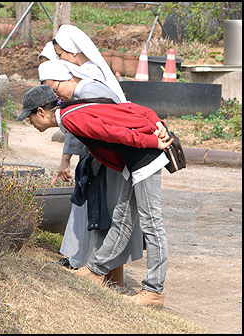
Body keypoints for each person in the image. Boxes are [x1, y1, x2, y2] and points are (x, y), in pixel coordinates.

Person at [18, 84, 172, 309]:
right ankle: (95, 271)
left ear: (41, 112)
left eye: (30, 118)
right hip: (136, 161)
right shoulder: (74, 110)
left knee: (152, 224)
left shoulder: (71, 118)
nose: (31, 123)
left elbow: (114, 134)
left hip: (144, 159)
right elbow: (129, 108)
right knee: (122, 220)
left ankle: (153, 291)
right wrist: (157, 121)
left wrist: (153, 140)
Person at [37, 59, 144, 291]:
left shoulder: (91, 91)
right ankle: (105, 276)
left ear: (66, 78)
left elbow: (105, 129)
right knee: (105, 217)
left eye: (55, 89)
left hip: (114, 161)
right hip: (103, 160)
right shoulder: (80, 94)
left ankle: (117, 281)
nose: (57, 97)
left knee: (113, 217)